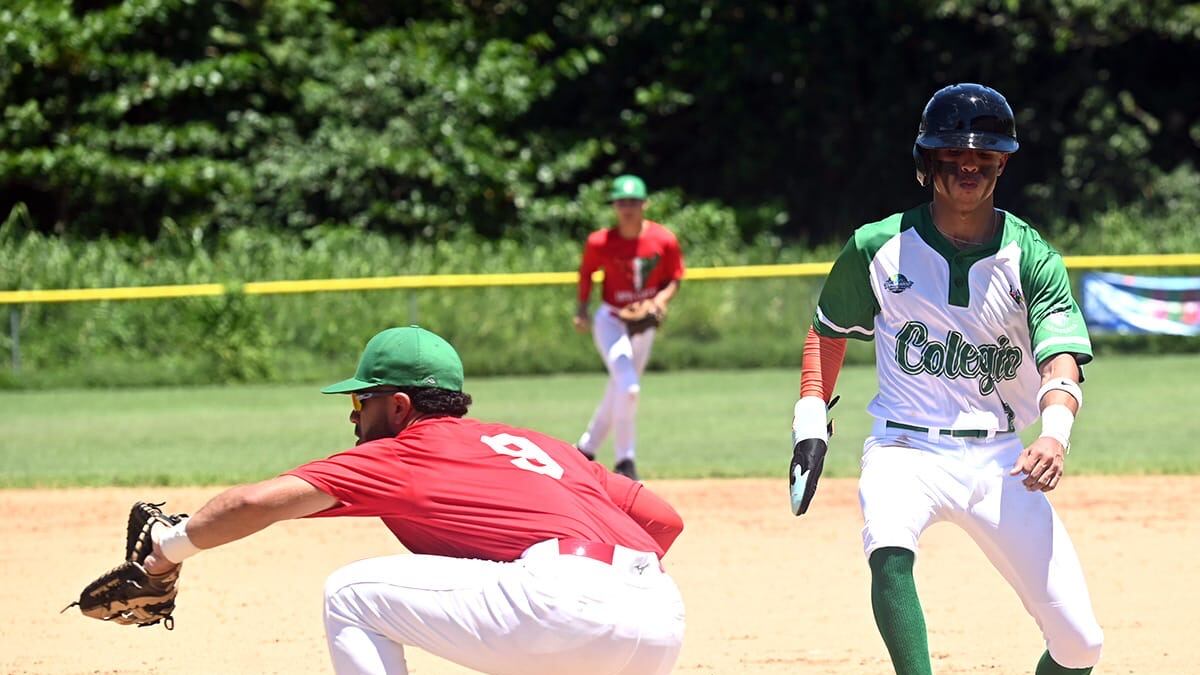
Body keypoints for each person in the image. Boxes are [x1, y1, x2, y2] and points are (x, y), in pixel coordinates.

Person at [141, 325, 687, 675]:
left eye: (363, 400)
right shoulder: (543, 445)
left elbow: (253, 504)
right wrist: (610, 592)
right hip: (660, 620)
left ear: (399, 407)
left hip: (563, 607)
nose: (354, 415)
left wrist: (166, 548)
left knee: (351, 595)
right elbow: (664, 521)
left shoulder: (404, 451)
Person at [787, 83, 1104, 674]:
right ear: (926, 162)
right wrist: (810, 423)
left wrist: (1055, 434)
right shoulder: (877, 246)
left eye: (984, 155)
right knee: (889, 550)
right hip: (902, 446)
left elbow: (1060, 358)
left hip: (1000, 458)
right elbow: (827, 333)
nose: (968, 166)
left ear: (1002, 163)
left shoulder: (1031, 255)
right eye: (952, 153)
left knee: (1081, 644)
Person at [573, 174, 685, 480]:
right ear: (614, 206)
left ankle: (585, 449)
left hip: (644, 324)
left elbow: (675, 277)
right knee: (629, 386)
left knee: (619, 387)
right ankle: (625, 461)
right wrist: (582, 309)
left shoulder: (663, 239)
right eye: (622, 202)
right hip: (611, 320)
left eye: (633, 202)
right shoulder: (600, 242)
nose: (627, 208)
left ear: (645, 204)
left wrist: (660, 301)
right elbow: (586, 274)